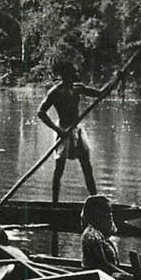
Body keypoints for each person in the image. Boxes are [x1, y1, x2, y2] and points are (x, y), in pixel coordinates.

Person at [37, 60, 101, 202]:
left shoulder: (78, 88)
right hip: (64, 129)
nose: (74, 75)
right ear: (65, 75)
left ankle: (95, 201)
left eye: (74, 72)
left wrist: (117, 78)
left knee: (86, 165)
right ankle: (54, 205)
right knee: (59, 168)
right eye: (72, 72)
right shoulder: (55, 92)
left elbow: (100, 94)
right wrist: (58, 130)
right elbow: (40, 112)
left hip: (77, 129)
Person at [80, 195, 128, 277]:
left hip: (106, 276)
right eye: (106, 212)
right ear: (97, 214)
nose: (110, 215)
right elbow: (103, 263)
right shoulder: (92, 235)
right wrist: (126, 274)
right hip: (96, 278)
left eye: (110, 211)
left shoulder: (101, 233)